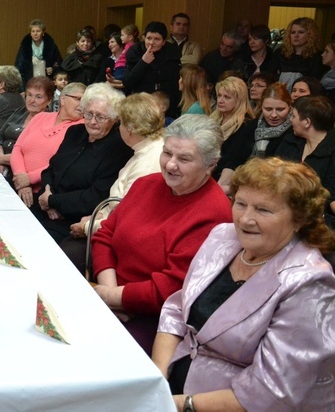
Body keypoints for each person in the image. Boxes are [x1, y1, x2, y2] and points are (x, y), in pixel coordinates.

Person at [153, 157, 335, 411]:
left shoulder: (309, 282)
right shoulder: (222, 237)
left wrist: (180, 404)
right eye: (240, 204)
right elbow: (176, 309)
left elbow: (273, 392)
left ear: (299, 219)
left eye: (263, 210)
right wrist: (157, 378)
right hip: (173, 384)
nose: (245, 219)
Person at [92, 114, 232, 354]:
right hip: (110, 293)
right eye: (167, 153)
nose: (169, 164)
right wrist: (109, 295)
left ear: (211, 165)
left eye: (184, 158)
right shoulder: (146, 184)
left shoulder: (215, 214)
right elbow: (104, 236)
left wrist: (111, 297)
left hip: (157, 321)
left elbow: (172, 289)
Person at [61, 93, 164, 272]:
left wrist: (87, 226)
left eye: (121, 123)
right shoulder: (143, 150)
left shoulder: (149, 162)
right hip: (107, 224)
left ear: (130, 128)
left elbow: (128, 217)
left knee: (64, 256)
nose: (119, 128)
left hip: (120, 240)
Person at [32, 83, 133, 243]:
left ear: (114, 119)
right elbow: (51, 169)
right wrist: (47, 196)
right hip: (44, 206)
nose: (92, 121)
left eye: (100, 117)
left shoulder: (119, 149)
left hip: (71, 220)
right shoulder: (75, 132)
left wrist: (53, 201)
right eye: (88, 114)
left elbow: (94, 197)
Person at [10, 82, 85, 206]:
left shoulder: (81, 128)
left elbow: (63, 164)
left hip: (45, 194)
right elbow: (18, 148)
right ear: (63, 99)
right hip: (17, 181)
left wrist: (29, 179)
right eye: (79, 99)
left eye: (86, 101)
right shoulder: (41, 117)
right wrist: (21, 179)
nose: (82, 105)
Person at [275, 95, 335, 219]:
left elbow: (330, 196)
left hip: (315, 217)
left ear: (307, 122)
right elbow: (273, 172)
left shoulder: (332, 149)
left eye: (293, 116)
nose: (290, 120)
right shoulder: (289, 141)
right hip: (280, 206)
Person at [113, 21, 182, 119]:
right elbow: (128, 82)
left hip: (166, 105)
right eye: (149, 38)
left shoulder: (172, 53)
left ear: (164, 41)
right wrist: (143, 62)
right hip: (141, 103)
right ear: (144, 37)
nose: (152, 43)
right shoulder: (134, 51)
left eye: (157, 39)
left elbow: (175, 83)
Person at [0, 76, 54, 178]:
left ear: (49, 100)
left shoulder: (49, 122)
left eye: (38, 97)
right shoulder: (20, 112)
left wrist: (2, 159)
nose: (32, 100)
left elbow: (33, 157)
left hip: (20, 173)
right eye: (29, 95)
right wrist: (0, 162)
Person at [210, 76, 256, 193]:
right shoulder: (212, 119)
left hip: (223, 180)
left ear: (239, 100)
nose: (220, 100)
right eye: (219, 96)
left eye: (227, 97)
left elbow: (235, 160)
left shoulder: (246, 124)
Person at [276, 16, 324, 88]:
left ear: (310, 35)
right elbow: (270, 76)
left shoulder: (317, 56)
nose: (296, 36)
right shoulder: (280, 53)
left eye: (301, 32)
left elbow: (316, 81)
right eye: (293, 32)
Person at [14, 19, 62, 85]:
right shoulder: (25, 46)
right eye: (33, 31)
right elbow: (18, 68)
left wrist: (53, 69)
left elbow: (59, 63)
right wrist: (22, 89)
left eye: (38, 31)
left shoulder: (51, 46)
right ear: (30, 33)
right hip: (29, 82)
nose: (35, 34)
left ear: (43, 32)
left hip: (47, 83)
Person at [251, 83, 292, 158]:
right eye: (268, 109)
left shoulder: (294, 131)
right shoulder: (252, 126)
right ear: (261, 107)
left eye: (280, 109)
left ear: (289, 108)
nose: (274, 115)